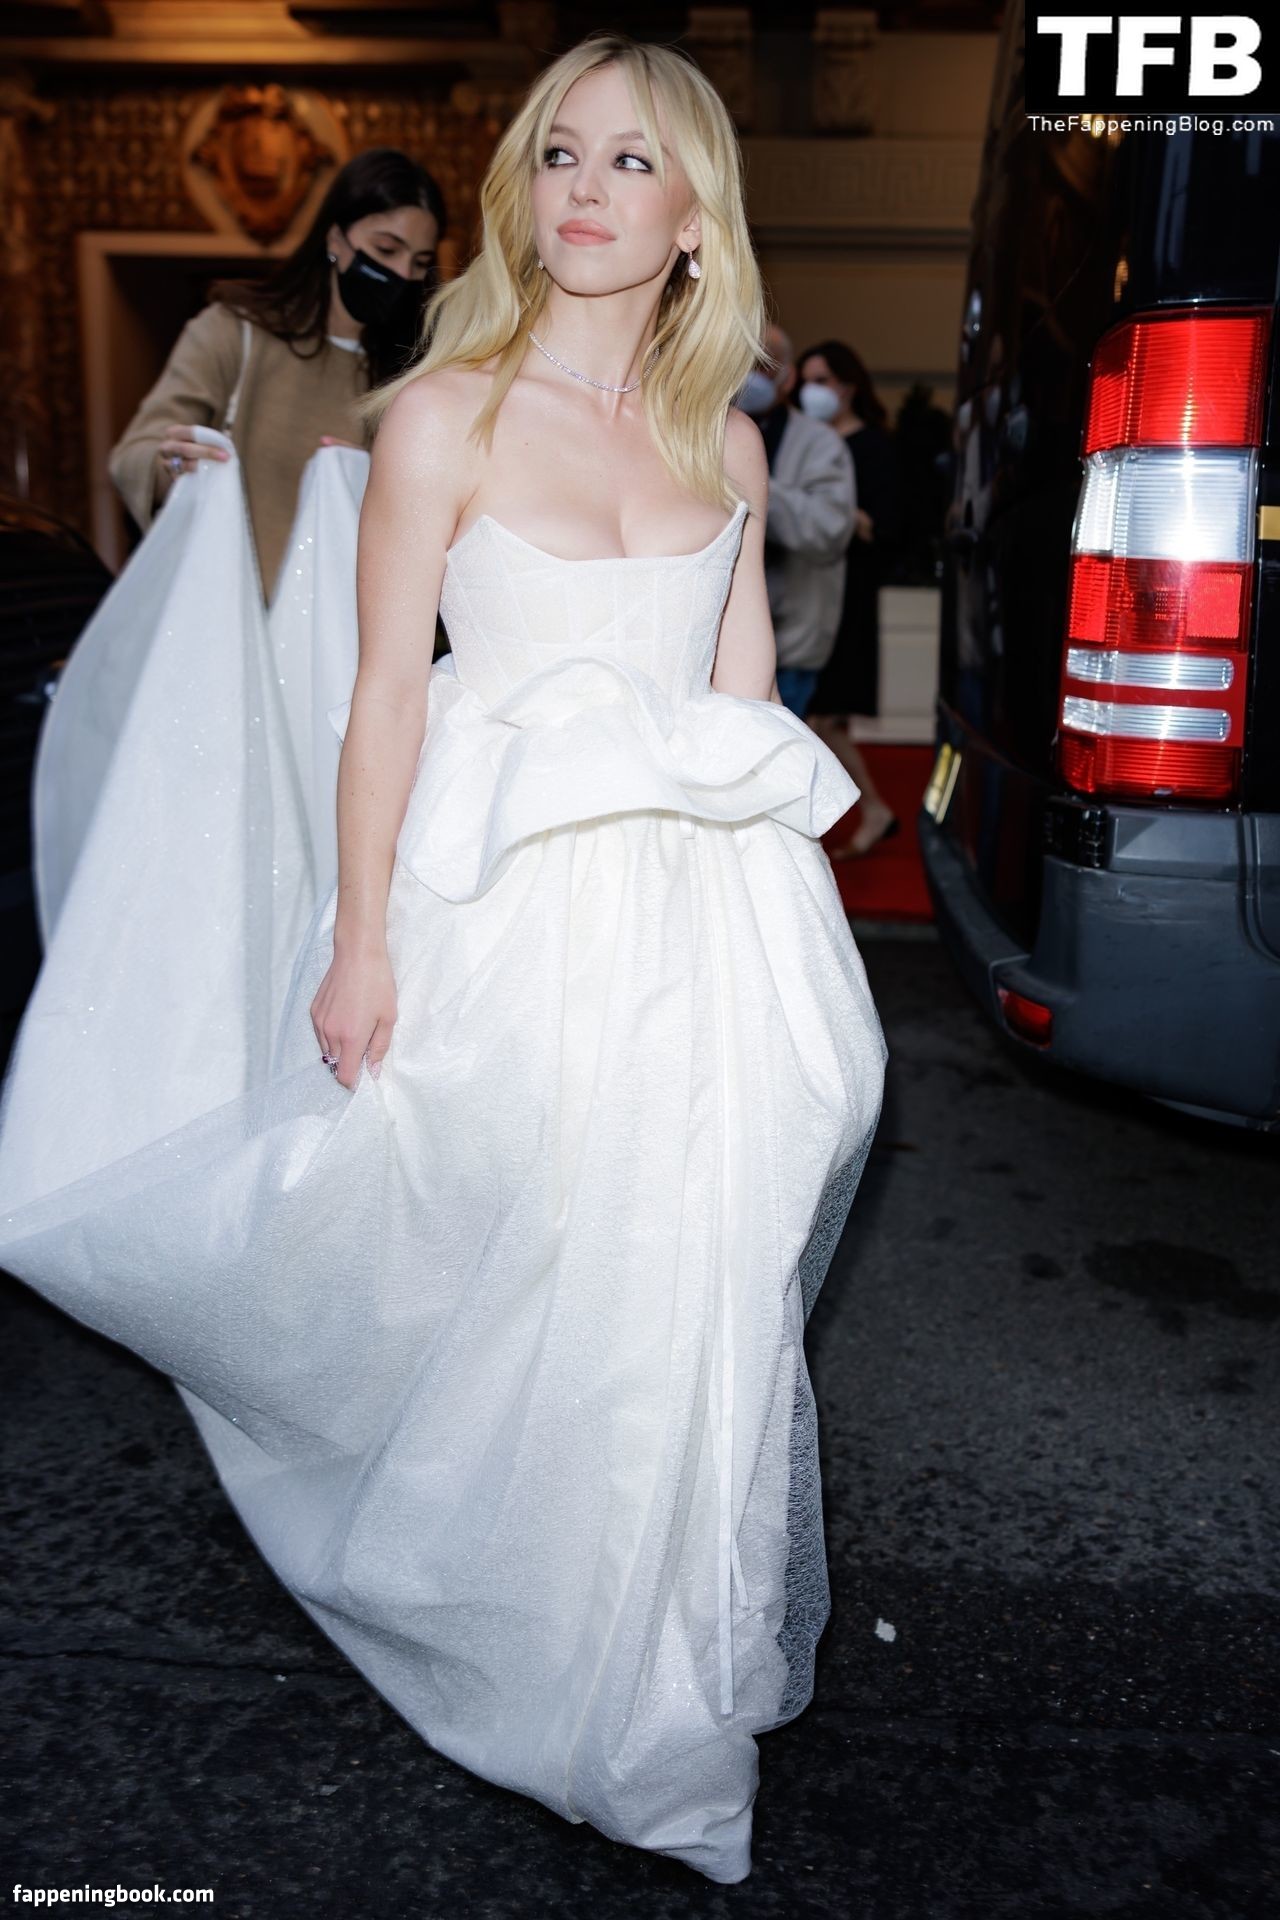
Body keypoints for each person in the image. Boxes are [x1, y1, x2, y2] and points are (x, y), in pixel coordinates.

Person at [0, 32, 887, 1887]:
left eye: (630, 160)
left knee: (699, 1294)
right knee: (550, 1282)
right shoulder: (444, 418)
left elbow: (740, 717)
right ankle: (551, 1638)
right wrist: (359, 939)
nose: (584, 187)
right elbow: (387, 700)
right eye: (559, 152)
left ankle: (667, 1673)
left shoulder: (724, 439)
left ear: (697, 215)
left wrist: (804, 952)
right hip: (508, 911)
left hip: (707, 928)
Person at [108, 147, 446, 604]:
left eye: (420, 262)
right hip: (232, 610)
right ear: (335, 239)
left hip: (347, 621)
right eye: (386, 249)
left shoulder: (421, 371)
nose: (402, 273)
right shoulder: (235, 333)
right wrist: (176, 466)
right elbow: (134, 456)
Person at [797, 339, 903, 856]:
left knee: (822, 714)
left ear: (847, 386)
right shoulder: (806, 442)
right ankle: (870, 810)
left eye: (820, 381)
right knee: (823, 715)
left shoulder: (872, 447)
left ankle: (846, 813)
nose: (810, 392)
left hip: (851, 591)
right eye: (805, 382)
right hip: (811, 587)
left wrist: (836, 514)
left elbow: (890, 528)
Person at [734, 322, 855, 718]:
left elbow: (829, 530)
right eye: (741, 362)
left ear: (787, 378)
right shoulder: (711, 432)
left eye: (762, 366)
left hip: (791, 639)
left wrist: (752, 483)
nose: (749, 376)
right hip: (724, 638)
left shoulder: (820, 443)